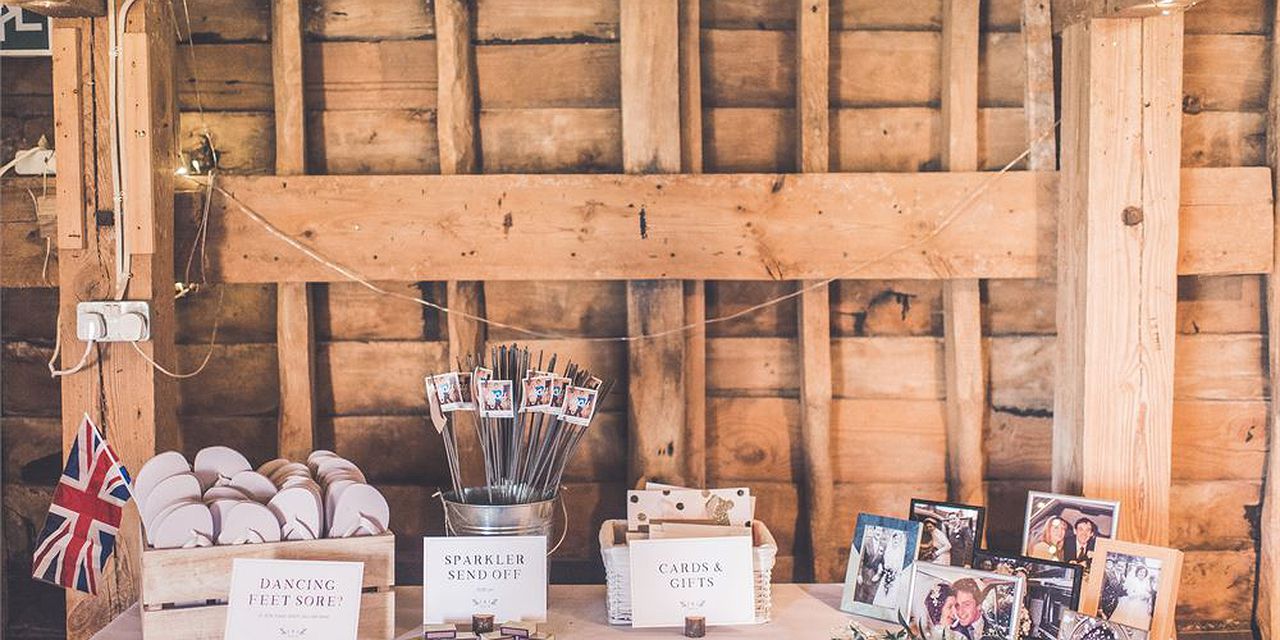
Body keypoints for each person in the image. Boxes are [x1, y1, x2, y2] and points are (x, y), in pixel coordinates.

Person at [1109, 565, 1154, 630]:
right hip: (1131, 604)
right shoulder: (1133, 581)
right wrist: (1140, 595)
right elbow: (1129, 595)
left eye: (1144, 572)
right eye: (1140, 572)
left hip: (1142, 606)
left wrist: (1147, 596)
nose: (1142, 574)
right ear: (1137, 572)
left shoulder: (1146, 583)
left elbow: (1149, 593)